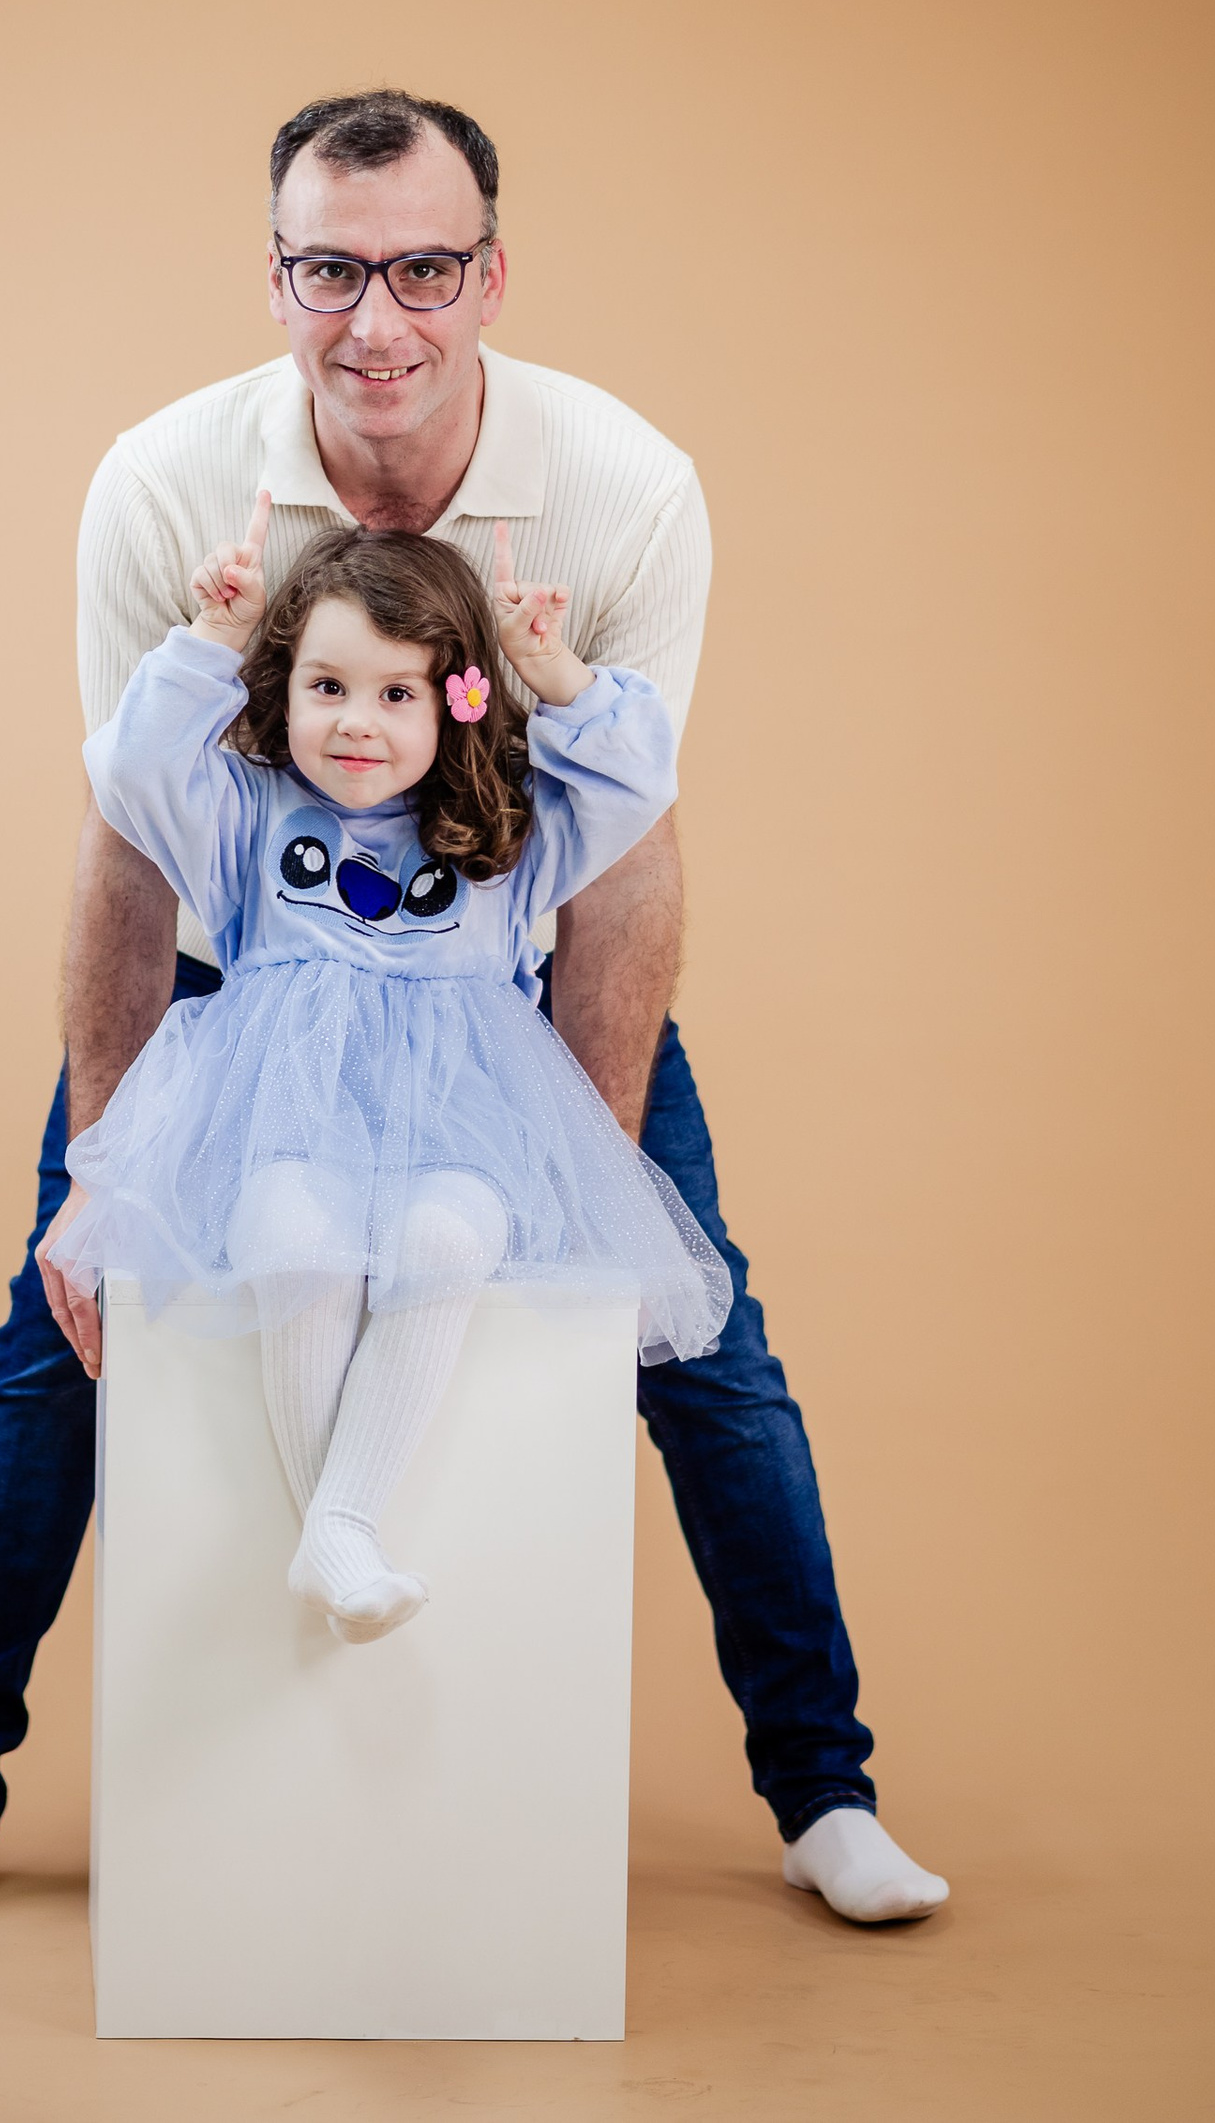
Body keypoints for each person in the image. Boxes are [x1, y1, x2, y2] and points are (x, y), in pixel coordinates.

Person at [0, 89, 949, 1930]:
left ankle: (826, 1790)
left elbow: (624, 852)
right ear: (273, 277)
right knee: (60, 1334)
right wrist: (107, 1162)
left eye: (425, 269)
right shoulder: (166, 485)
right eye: (331, 270)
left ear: (492, 276)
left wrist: (573, 1151)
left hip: (491, 982)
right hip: (244, 981)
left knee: (707, 1351)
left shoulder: (623, 489)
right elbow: (133, 838)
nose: (378, 320)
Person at [44, 516, 734, 1640]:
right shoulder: (247, 814)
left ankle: (336, 1525)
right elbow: (132, 770)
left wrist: (554, 671)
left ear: (455, 702)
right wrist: (209, 638)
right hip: (284, 1126)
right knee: (291, 1241)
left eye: (397, 693)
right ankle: (345, 1531)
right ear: (282, 689)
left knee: (448, 1243)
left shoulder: (501, 835)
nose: (356, 721)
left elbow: (636, 782)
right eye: (327, 686)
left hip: (462, 1132)